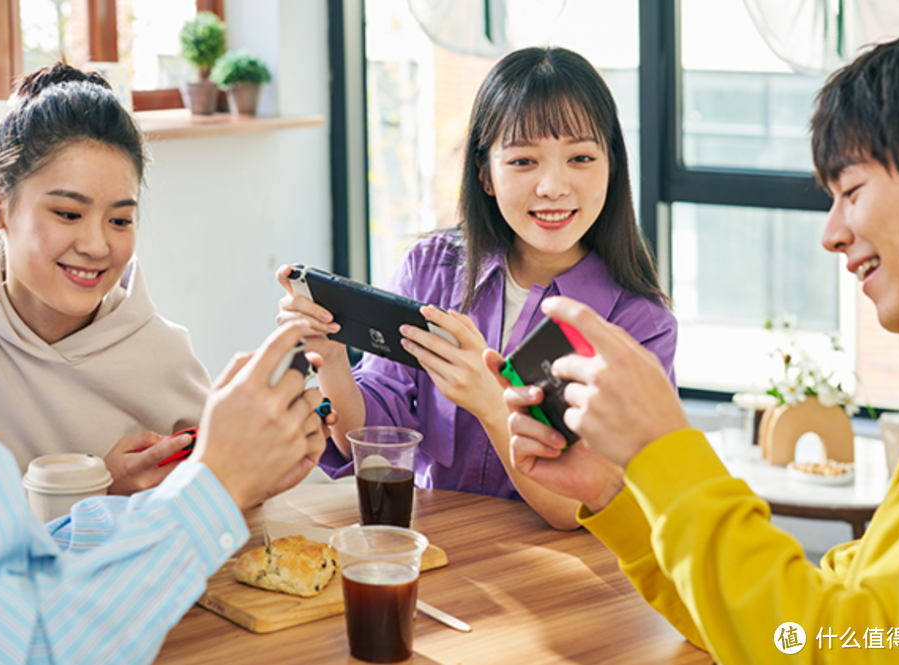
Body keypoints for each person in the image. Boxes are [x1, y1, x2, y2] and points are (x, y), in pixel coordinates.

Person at [500, 34, 899, 661]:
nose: (831, 233)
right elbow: (810, 627)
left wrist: (666, 451)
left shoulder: (641, 310)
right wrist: (612, 495)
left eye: (853, 190)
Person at [0, 102, 325, 664]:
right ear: (4, 208)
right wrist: (215, 484)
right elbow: (34, 648)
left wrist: (211, 482)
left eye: (121, 219)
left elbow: (7, 573)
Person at [277, 46, 676, 529]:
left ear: (612, 167)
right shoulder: (431, 270)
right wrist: (334, 357)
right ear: (486, 173)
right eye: (524, 161)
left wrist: (490, 400)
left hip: (570, 579)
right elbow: (374, 444)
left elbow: (578, 512)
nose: (553, 185)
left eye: (581, 157)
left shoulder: (639, 323)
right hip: (439, 552)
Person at [0, 64, 210, 494]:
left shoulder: (162, 355)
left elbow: (222, 499)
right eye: (69, 214)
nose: (96, 245)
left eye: (119, 219)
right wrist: (98, 489)